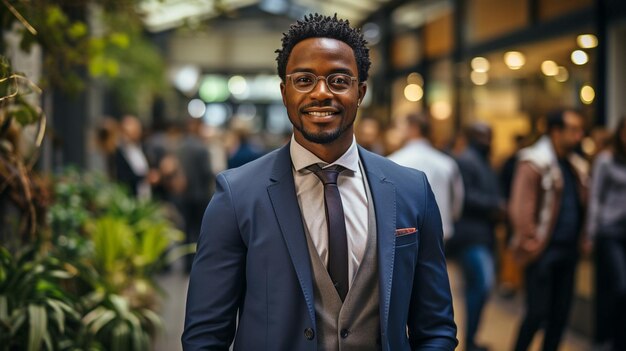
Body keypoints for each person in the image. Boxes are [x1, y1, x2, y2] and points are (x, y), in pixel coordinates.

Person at [182, 13, 457, 351]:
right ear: (285, 92)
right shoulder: (237, 195)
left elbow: (437, 328)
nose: (321, 93)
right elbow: (205, 335)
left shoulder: (411, 189)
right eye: (304, 80)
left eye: (339, 80)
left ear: (361, 92)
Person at [509, 109, 589, 351]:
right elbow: (521, 208)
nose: (579, 136)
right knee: (536, 314)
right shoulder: (533, 161)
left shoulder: (575, 165)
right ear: (556, 132)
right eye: (573, 130)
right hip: (543, 252)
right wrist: (532, 243)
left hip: (568, 251)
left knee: (559, 317)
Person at [449, 122, 504, 351]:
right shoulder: (466, 160)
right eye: (483, 135)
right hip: (471, 236)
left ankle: (472, 338)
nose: (488, 140)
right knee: (481, 284)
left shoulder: (482, 161)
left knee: (480, 286)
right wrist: (496, 205)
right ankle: (469, 340)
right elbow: (465, 197)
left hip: (483, 234)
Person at [388, 112, 464, 241]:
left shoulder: (393, 161)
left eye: (400, 127)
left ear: (413, 128)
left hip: (404, 233)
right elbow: (457, 201)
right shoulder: (447, 163)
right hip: (441, 231)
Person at [588, 117, 626, 351]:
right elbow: (595, 198)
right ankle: (607, 338)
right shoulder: (606, 160)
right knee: (620, 286)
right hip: (610, 231)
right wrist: (590, 235)